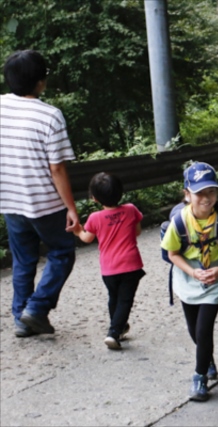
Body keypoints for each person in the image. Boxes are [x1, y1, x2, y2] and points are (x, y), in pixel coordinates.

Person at [0, 50, 78, 337]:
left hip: (10, 200)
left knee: (23, 261)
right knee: (62, 252)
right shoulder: (50, 116)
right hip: (44, 203)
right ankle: (36, 308)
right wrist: (71, 208)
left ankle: (21, 320)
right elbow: (57, 169)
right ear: (40, 81)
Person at [161, 162, 218, 401]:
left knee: (203, 329)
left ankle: (199, 378)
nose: (206, 198)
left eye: (211, 191)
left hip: (215, 278)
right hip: (188, 276)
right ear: (187, 194)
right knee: (194, 329)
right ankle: (207, 357)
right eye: (200, 193)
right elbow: (172, 254)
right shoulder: (180, 221)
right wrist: (192, 272)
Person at [72, 173, 145, 350]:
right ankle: (114, 332)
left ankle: (117, 327)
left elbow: (87, 238)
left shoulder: (94, 218)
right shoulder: (130, 209)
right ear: (121, 192)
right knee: (125, 300)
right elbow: (137, 232)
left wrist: (77, 230)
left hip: (109, 268)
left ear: (94, 198)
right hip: (130, 264)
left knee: (114, 297)